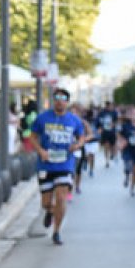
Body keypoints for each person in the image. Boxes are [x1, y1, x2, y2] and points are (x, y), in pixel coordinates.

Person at [26, 87, 88, 245]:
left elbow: (82, 137)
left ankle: (57, 231)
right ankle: (50, 211)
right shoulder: (42, 118)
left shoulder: (74, 120)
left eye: (63, 98)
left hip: (65, 164)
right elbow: (32, 137)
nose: (59, 101)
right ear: (53, 101)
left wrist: (77, 145)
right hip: (46, 165)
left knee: (61, 198)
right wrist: (41, 151)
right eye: (57, 98)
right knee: (46, 203)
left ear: (67, 102)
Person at [118, 105, 135, 196]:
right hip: (128, 149)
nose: (134, 115)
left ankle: (132, 188)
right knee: (129, 163)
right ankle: (127, 176)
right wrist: (121, 143)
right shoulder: (126, 126)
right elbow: (119, 135)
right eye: (132, 113)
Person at [96, 101, 118, 166]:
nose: (110, 107)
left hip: (112, 132)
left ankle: (112, 154)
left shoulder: (114, 112)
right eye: (109, 106)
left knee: (113, 145)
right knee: (106, 146)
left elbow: (117, 121)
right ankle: (107, 161)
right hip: (105, 132)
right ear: (106, 106)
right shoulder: (102, 113)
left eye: (111, 106)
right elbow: (98, 121)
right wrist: (99, 128)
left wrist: (113, 124)